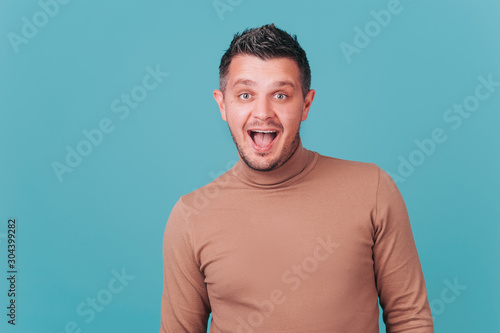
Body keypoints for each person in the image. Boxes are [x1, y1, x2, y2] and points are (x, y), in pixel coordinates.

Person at [160, 23, 434, 333]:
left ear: (305, 104)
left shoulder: (373, 189)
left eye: (280, 95)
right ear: (223, 105)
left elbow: (411, 320)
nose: (262, 113)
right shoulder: (191, 216)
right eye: (246, 94)